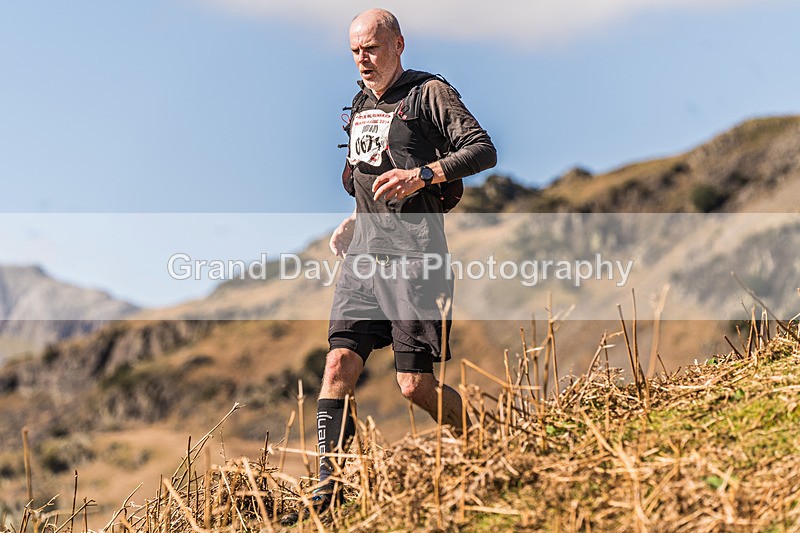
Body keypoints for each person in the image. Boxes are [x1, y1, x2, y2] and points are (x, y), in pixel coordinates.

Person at [281, 8, 496, 524]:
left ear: (399, 44)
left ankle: (487, 443)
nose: (363, 58)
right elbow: (367, 181)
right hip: (364, 260)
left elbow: (482, 150)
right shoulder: (358, 107)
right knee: (337, 366)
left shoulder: (429, 95)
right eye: (355, 50)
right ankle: (327, 500)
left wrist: (422, 175)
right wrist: (354, 219)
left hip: (416, 260)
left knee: (413, 385)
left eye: (372, 47)